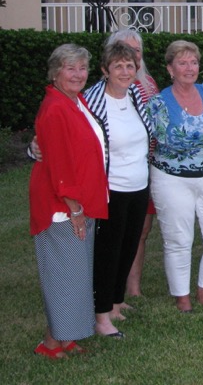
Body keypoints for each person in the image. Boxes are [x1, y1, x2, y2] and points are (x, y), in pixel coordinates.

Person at [147, 41, 203, 312]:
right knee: (179, 239)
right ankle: (182, 296)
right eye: (182, 63)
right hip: (171, 179)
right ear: (170, 69)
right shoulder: (158, 103)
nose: (189, 68)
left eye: (194, 62)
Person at [29, 44, 109, 358]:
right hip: (60, 205)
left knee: (74, 273)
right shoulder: (55, 107)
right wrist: (74, 208)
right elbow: (60, 164)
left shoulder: (76, 101)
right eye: (70, 68)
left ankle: (65, 337)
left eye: (81, 68)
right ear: (56, 72)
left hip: (78, 202)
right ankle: (50, 343)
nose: (78, 74)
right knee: (64, 273)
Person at [82, 42, 151, 338]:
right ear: (105, 70)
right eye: (119, 66)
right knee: (108, 252)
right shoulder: (91, 101)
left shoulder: (134, 94)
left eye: (130, 66)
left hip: (139, 185)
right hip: (110, 189)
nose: (125, 71)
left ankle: (116, 301)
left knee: (128, 245)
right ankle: (100, 316)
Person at [104, 29, 159, 299]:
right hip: (118, 174)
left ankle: (132, 288)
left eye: (137, 51)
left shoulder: (148, 82)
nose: (133, 56)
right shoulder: (109, 89)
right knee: (118, 233)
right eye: (126, 50)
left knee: (142, 230)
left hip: (147, 169)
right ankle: (113, 289)